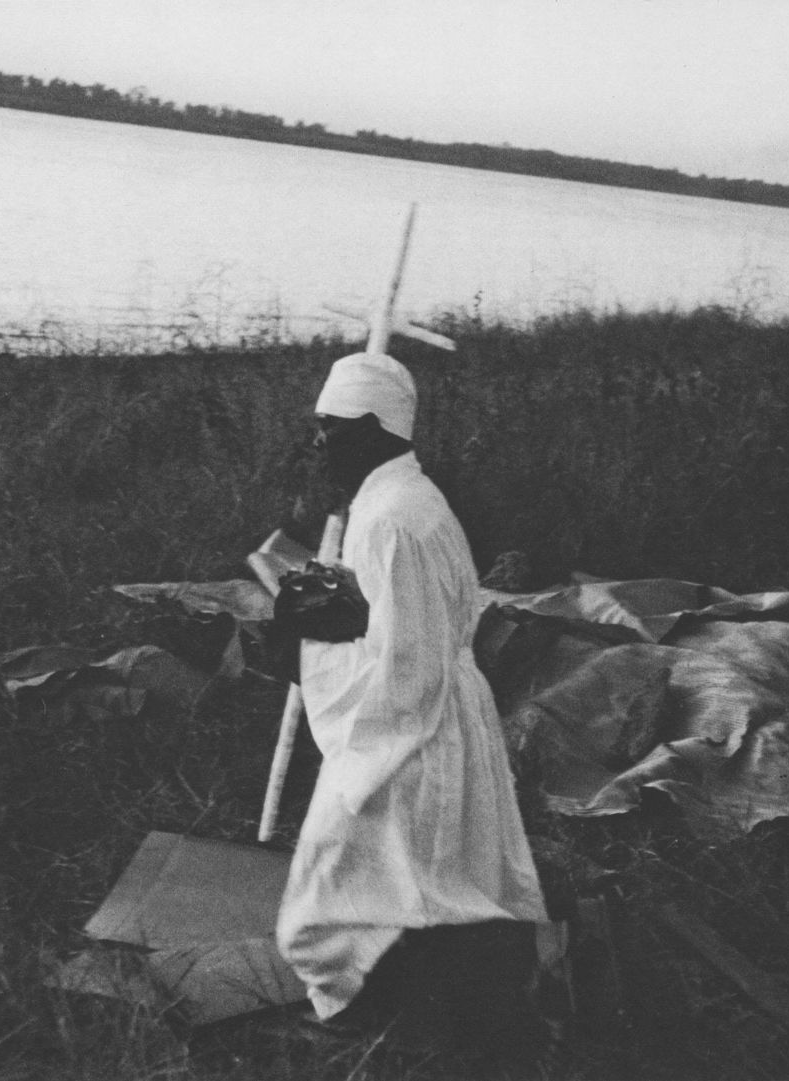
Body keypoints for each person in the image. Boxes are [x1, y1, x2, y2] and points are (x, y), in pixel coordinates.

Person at [274, 350, 549, 1050]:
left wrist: (329, 648)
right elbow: (401, 626)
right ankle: (418, 1007)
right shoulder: (392, 500)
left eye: (329, 426)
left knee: (335, 882)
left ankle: (385, 1014)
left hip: (413, 725)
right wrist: (337, 611)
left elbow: (409, 662)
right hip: (429, 712)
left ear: (371, 426)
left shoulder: (395, 517)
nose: (317, 440)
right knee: (422, 872)